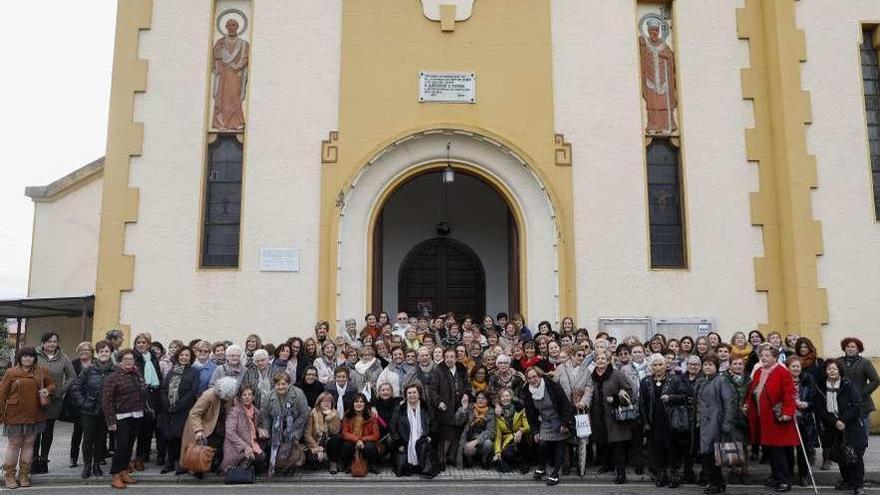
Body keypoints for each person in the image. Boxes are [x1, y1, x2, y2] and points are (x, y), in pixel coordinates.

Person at [745, 345, 798, 492]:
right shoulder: (759, 372)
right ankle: (776, 477)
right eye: (762, 355)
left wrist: (788, 412)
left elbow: (790, 394)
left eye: (767, 355)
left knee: (779, 450)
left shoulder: (782, 372)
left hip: (778, 417)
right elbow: (753, 391)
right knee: (770, 449)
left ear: (775, 357)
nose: (763, 358)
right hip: (763, 418)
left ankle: (784, 480)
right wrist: (747, 404)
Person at [0, 347, 55, 489]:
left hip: (36, 413)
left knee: (29, 444)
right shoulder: (11, 372)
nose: (27, 359)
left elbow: (52, 384)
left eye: (31, 356)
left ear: (34, 358)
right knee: (14, 444)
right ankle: (9, 474)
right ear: (19, 358)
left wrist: (47, 390)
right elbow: (2, 395)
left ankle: (24, 474)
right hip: (15, 414)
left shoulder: (41, 371)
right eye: (24, 356)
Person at [816, 359, 866, 495]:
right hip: (832, 427)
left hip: (851, 426)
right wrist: (834, 422)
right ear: (825, 371)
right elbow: (821, 409)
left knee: (855, 456)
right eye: (829, 369)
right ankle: (847, 481)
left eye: (834, 369)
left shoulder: (849, 385)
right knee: (841, 455)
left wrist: (842, 421)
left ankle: (858, 485)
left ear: (839, 370)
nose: (831, 371)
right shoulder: (820, 387)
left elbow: (857, 406)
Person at [69, 341, 115, 479]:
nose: (104, 354)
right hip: (89, 411)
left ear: (111, 353)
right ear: (97, 353)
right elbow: (75, 387)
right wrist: (83, 403)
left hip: (105, 412)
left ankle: (97, 465)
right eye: (101, 351)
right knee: (88, 439)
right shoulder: (88, 369)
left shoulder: (115, 371)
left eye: (107, 351)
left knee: (101, 439)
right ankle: (87, 466)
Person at [102, 348, 146, 489]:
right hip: (121, 416)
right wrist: (111, 421)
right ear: (120, 361)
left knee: (129, 446)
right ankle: (115, 475)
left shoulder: (136, 374)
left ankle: (123, 472)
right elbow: (106, 401)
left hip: (136, 414)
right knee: (121, 447)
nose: (129, 362)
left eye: (131, 359)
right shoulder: (113, 377)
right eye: (126, 359)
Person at [522, 366, 574, 486]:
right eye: (529, 378)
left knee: (559, 446)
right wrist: (535, 431)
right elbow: (530, 413)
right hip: (545, 420)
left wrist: (565, 423)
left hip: (559, 419)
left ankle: (555, 474)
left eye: (534, 376)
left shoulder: (552, 386)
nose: (532, 380)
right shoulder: (528, 390)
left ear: (540, 376)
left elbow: (565, 405)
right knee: (542, 444)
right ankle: (542, 467)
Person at [32, 332, 75, 474]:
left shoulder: (64, 358)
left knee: (48, 430)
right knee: (36, 431)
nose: (52, 344)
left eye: (54, 341)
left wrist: (62, 390)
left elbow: (71, 376)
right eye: (49, 341)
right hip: (35, 400)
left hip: (54, 400)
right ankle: (34, 460)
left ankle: (44, 460)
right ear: (43, 343)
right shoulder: (35, 355)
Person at [180, 376, 238, 477]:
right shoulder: (208, 395)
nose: (228, 399)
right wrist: (198, 430)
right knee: (202, 451)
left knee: (219, 448)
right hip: (205, 425)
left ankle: (212, 467)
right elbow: (194, 413)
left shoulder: (230, 395)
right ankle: (197, 470)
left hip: (219, 426)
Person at [590, 349, 633, 484]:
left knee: (617, 445)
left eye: (603, 358)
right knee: (602, 443)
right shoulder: (591, 376)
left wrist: (615, 398)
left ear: (609, 361)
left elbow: (629, 390)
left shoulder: (616, 374)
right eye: (598, 359)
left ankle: (621, 474)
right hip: (597, 415)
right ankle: (607, 465)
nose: (600, 361)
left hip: (615, 415)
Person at [697, 355, 736, 494]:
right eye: (705, 364)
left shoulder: (721, 381)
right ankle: (716, 482)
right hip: (706, 424)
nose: (707, 367)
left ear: (716, 367)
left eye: (710, 365)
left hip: (717, 423)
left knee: (715, 455)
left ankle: (716, 482)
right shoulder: (703, 381)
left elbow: (729, 403)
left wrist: (726, 424)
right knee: (708, 455)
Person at [158, 346, 199, 475]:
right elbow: (164, 388)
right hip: (168, 410)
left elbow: (193, 391)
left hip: (184, 410)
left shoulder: (194, 372)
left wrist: (178, 406)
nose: (184, 357)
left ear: (191, 358)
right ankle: (169, 463)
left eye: (187, 355)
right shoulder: (172, 371)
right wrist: (166, 404)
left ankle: (183, 464)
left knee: (182, 438)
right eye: (182, 355)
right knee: (169, 437)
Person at [260, 373, 309, 476]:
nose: (281, 387)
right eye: (278, 384)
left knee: (288, 443)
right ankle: (276, 465)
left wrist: (290, 429)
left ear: (289, 384)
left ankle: (289, 466)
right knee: (271, 443)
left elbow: (304, 414)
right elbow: (266, 416)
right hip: (276, 426)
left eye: (284, 384)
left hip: (295, 426)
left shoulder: (298, 394)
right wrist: (266, 430)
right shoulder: (269, 397)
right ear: (274, 385)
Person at [431, 347, 469, 470]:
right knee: (445, 436)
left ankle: (451, 458)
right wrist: (438, 402)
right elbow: (433, 390)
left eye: (451, 357)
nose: (449, 360)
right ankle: (441, 460)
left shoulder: (462, 369)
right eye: (447, 357)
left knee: (457, 434)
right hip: (445, 407)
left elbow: (467, 385)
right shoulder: (439, 370)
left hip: (460, 407)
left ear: (456, 357)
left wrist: (466, 394)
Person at [838, 337, 878, 447]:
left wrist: (862, 393)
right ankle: (847, 450)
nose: (850, 349)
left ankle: (861, 450)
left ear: (858, 349)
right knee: (845, 428)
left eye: (853, 347)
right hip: (843, 403)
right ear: (844, 348)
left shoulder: (865, 363)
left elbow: (875, 380)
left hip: (862, 403)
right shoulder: (838, 362)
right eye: (848, 346)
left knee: (862, 429)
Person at [211, 18, 249, 131]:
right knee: (222, 97)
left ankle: (237, 122)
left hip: (236, 75)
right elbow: (216, 57)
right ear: (226, 28)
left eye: (234, 25)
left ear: (237, 27)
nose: (232, 27)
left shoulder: (243, 44)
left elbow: (246, 58)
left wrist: (238, 66)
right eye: (229, 25)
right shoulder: (220, 42)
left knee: (235, 97)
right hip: (223, 75)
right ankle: (220, 122)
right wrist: (218, 66)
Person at [391, 383, 436, 478]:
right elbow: (393, 427)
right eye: (409, 393)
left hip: (423, 442)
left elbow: (433, 423)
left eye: (414, 392)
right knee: (404, 469)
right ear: (406, 395)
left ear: (419, 394)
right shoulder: (399, 409)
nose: (412, 395)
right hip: (405, 442)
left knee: (425, 451)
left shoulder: (426, 407)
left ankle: (423, 467)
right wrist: (399, 443)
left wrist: (430, 437)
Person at [221, 384, 266, 475]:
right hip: (236, 447)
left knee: (263, 456)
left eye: (249, 395)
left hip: (251, 442)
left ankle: (247, 468)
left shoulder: (256, 412)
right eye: (244, 395)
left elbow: (253, 426)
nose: (247, 397)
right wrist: (245, 447)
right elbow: (230, 432)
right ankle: (238, 468)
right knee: (258, 459)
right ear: (240, 397)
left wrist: (259, 430)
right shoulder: (234, 412)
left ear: (253, 397)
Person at [788, 355, 819, 486]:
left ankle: (804, 475)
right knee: (788, 450)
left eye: (798, 366)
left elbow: (814, 398)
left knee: (803, 450)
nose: (796, 369)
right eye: (793, 366)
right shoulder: (783, 379)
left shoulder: (807, 379)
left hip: (804, 420)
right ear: (788, 367)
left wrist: (806, 404)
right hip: (788, 420)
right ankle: (787, 475)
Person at [132, 333, 161, 471]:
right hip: (136, 397)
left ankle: (142, 456)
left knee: (147, 429)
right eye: (138, 342)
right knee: (134, 430)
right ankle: (131, 459)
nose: (141, 344)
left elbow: (159, 378)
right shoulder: (132, 358)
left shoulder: (153, 358)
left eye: (144, 342)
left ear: (148, 344)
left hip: (151, 396)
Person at [722, 355, 751, 484]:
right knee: (731, 444)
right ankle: (733, 471)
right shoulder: (723, 379)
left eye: (740, 364)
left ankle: (743, 471)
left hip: (744, 417)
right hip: (729, 415)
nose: (738, 366)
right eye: (735, 364)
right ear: (730, 365)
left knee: (743, 444)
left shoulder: (748, 379)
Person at [341, 393, 381, 475]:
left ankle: (371, 464)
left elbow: (376, 435)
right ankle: (349, 464)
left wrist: (361, 440)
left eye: (361, 402)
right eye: (356, 402)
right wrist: (356, 440)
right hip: (353, 442)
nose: (359, 404)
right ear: (353, 403)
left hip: (365, 443)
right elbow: (344, 433)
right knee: (346, 445)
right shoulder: (347, 415)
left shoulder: (371, 416)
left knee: (370, 446)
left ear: (365, 404)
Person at [454, 390, 495, 468]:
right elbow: (457, 422)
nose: (480, 400)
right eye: (478, 398)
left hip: (481, 440)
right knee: (467, 449)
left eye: (483, 398)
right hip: (468, 438)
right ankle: (469, 460)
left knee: (488, 444)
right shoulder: (470, 408)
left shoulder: (491, 411)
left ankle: (484, 459)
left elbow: (491, 431)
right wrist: (463, 409)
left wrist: (476, 441)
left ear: (487, 400)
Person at [303, 391, 342, 473]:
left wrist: (330, 419)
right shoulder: (313, 413)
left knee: (337, 437)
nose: (326, 403)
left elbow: (335, 431)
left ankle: (333, 462)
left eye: (329, 401)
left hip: (328, 444)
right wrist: (317, 448)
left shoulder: (335, 413)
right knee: (313, 463)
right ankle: (319, 457)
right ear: (319, 402)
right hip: (315, 443)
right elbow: (307, 434)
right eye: (324, 401)